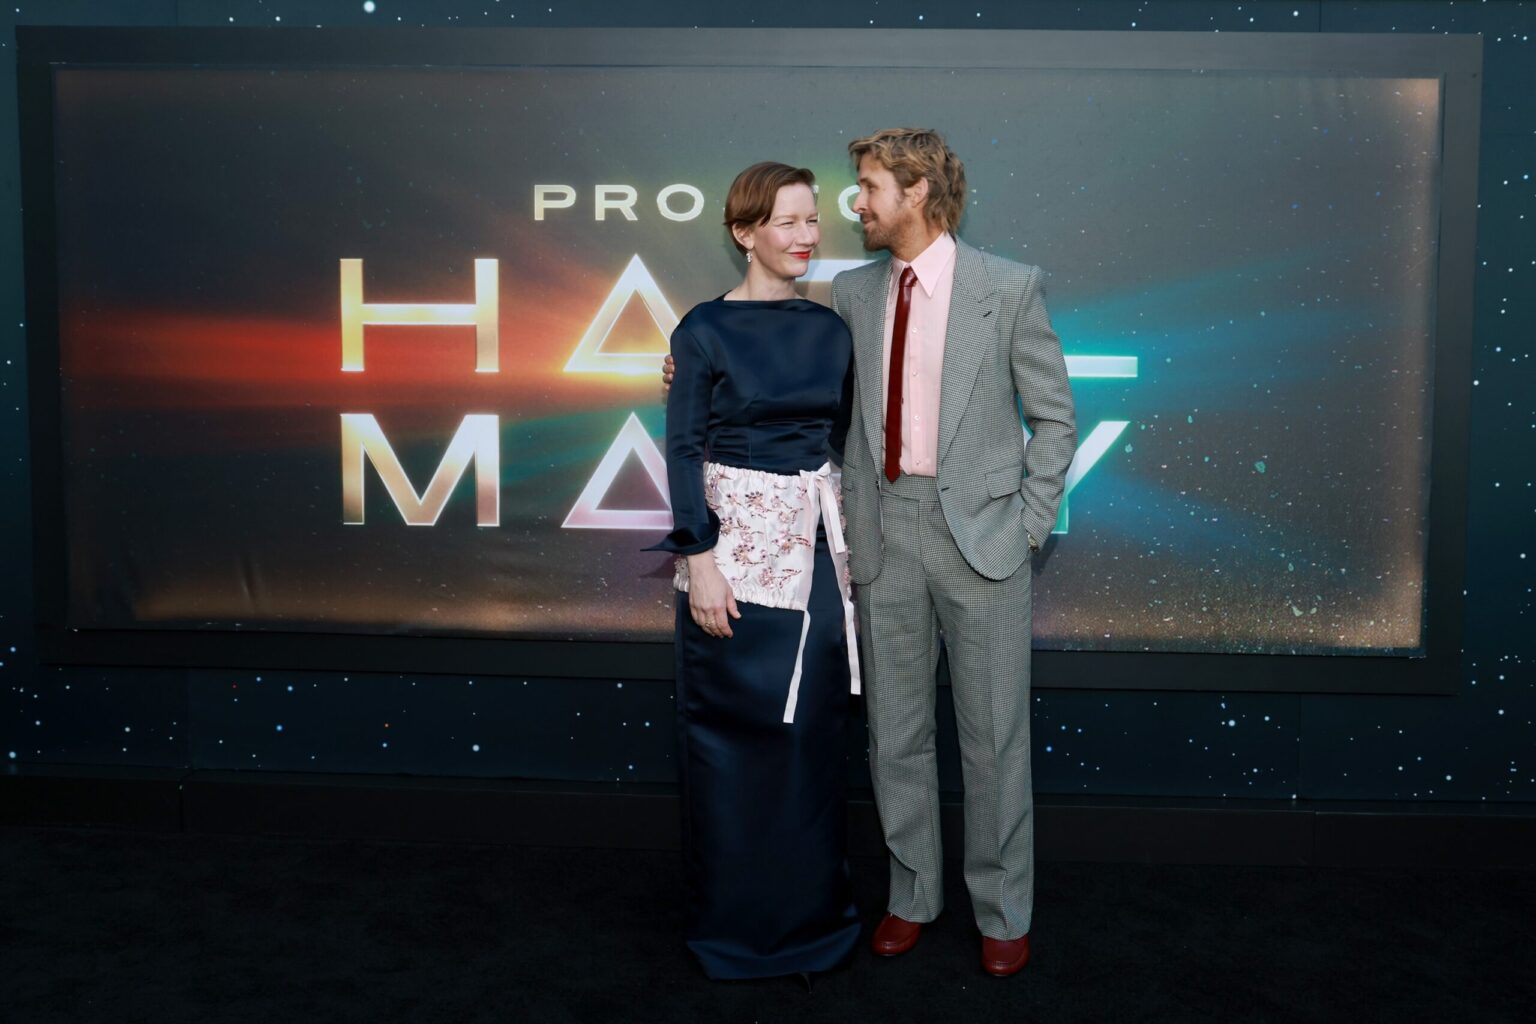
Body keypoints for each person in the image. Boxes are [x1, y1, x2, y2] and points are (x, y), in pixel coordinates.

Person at [664, 129, 1076, 977]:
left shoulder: (1008, 286)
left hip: (984, 539)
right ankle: (912, 896)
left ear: (918, 191)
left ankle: (1002, 911)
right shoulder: (850, 294)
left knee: (994, 738)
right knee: (894, 736)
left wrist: (1029, 524)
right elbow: (768, 372)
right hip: (878, 534)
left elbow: (1055, 418)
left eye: (867, 188)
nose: (854, 206)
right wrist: (681, 369)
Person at [647, 161, 861, 982]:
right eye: (788, 221)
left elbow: (849, 441)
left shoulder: (832, 331)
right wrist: (698, 561)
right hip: (729, 567)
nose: (807, 236)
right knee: (732, 747)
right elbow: (682, 449)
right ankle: (734, 930)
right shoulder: (702, 329)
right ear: (744, 232)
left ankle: (812, 925)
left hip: (814, 567)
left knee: (809, 746)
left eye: (814, 222)